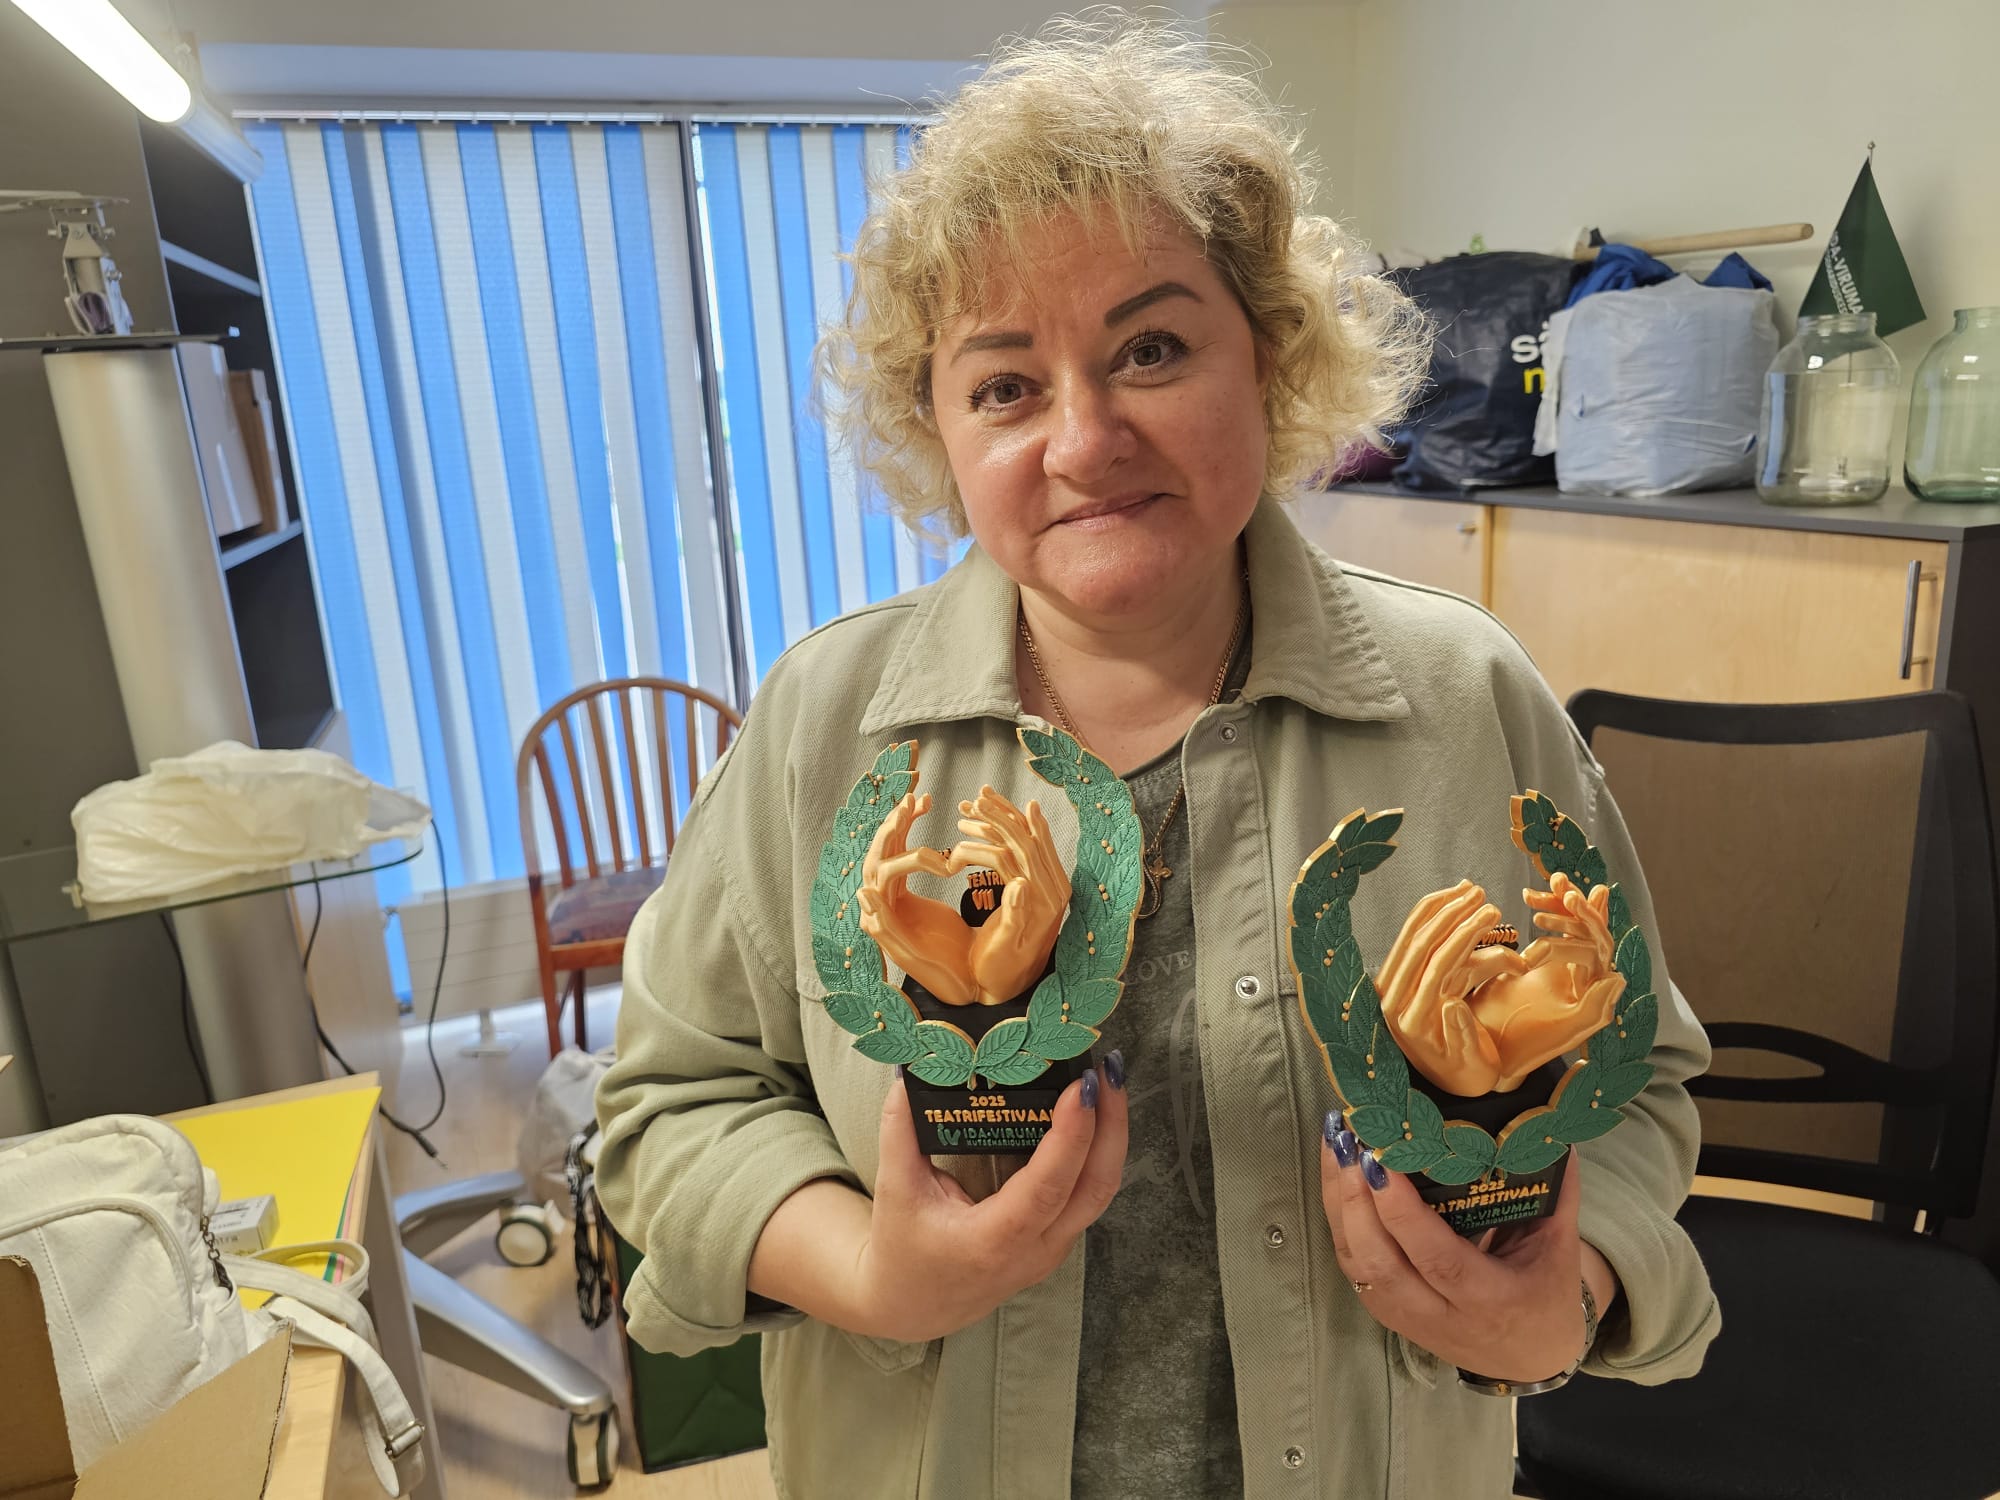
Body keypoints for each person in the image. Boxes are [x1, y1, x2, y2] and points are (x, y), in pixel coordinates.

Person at [595, 13, 1719, 1498]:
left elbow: (1637, 1085)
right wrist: (873, 1273)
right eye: (1005, 385)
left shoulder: (1467, 700)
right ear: (938, 432)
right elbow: (673, 1106)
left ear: (1270, 359)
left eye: (1151, 349)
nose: (1084, 438)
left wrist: (1559, 1302)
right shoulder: (825, 723)